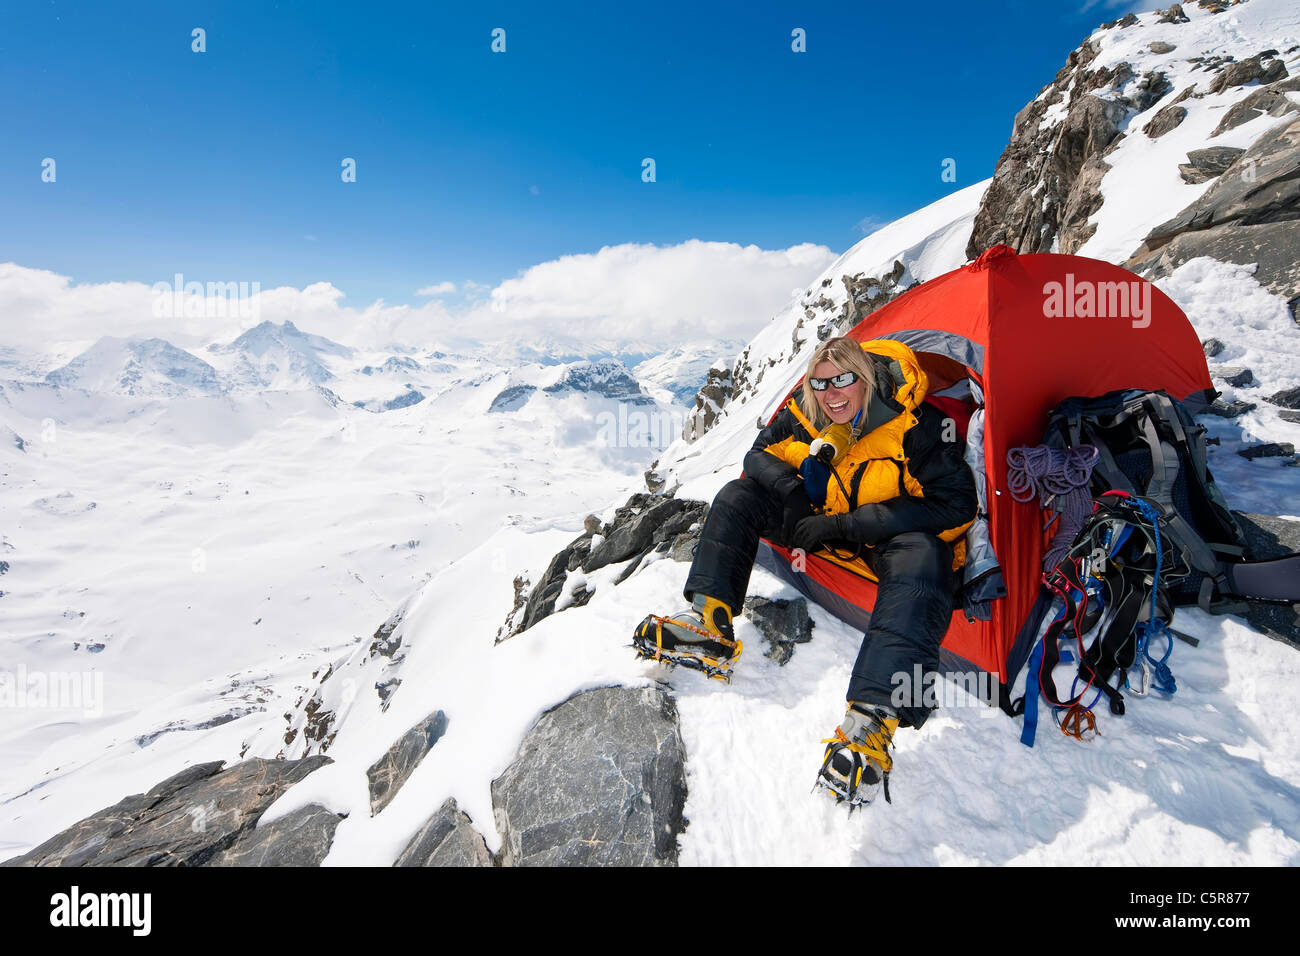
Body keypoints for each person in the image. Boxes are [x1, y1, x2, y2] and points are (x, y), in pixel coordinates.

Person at [633, 336, 977, 806]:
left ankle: (871, 721)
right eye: (820, 383)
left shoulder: (917, 427)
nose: (831, 393)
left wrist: (847, 524)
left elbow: (956, 505)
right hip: (823, 527)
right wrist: (793, 493)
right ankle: (710, 623)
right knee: (738, 496)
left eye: (843, 380)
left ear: (866, 377)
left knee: (927, 557)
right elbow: (757, 454)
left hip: (885, 540)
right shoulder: (805, 413)